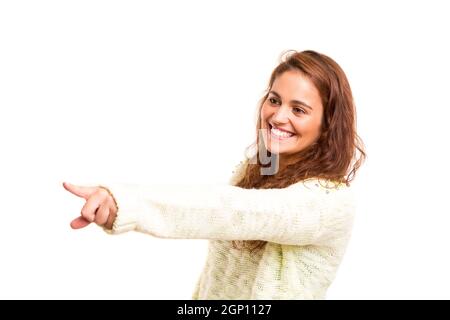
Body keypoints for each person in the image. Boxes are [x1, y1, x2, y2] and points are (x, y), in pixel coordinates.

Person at [63, 49, 366, 299]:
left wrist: (125, 205)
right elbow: (215, 279)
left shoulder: (331, 201)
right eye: (274, 100)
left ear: (328, 124)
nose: (278, 116)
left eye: (299, 110)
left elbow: (235, 211)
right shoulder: (253, 173)